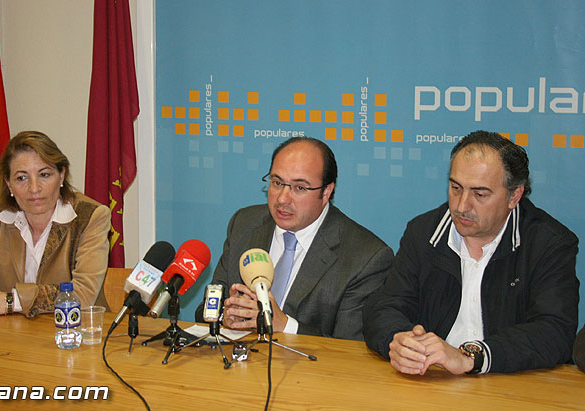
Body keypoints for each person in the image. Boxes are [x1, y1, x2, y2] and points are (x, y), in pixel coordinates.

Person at [363, 130, 579, 374]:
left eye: (479, 194)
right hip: (432, 379)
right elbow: (386, 307)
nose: (461, 206)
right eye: (456, 187)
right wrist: (400, 341)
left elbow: (554, 332)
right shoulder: (424, 232)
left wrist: (472, 357)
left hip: (510, 383)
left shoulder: (548, 243)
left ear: (514, 195)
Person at [195, 137, 393, 341]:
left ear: (326, 191)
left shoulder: (365, 257)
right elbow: (207, 306)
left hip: (309, 371)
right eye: (277, 183)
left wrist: (286, 325)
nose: (282, 198)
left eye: (299, 188)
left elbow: (351, 348)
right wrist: (223, 317)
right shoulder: (244, 224)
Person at [0, 131, 111, 318]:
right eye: (21, 178)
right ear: (9, 184)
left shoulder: (89, 217)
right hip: (10, 336)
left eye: (44, 175)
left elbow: (82, 295)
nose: (34, 188)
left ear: (61, 176)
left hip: (75, 332)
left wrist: (10, 301)